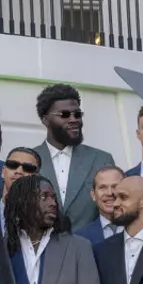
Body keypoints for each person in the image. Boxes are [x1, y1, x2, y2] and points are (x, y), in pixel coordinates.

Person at [32, 84, 115, 232]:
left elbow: (112, 210)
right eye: (64, 115)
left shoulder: (101, 159)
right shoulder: (29, 160)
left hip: (91, 250)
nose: (73, 119)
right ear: (45, 120)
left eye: (77, 114)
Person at [0, 146, 42, 234]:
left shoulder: (43, 218)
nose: (19, 171)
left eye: (28, 168)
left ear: (37, 177)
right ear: (2, 171)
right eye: (12, 165)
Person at [76, 166, 125, 246]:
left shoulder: (141, 230)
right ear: (93, 195)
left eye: (115, 186)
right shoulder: (80, 238)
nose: (109, 193)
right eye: (103, 188)